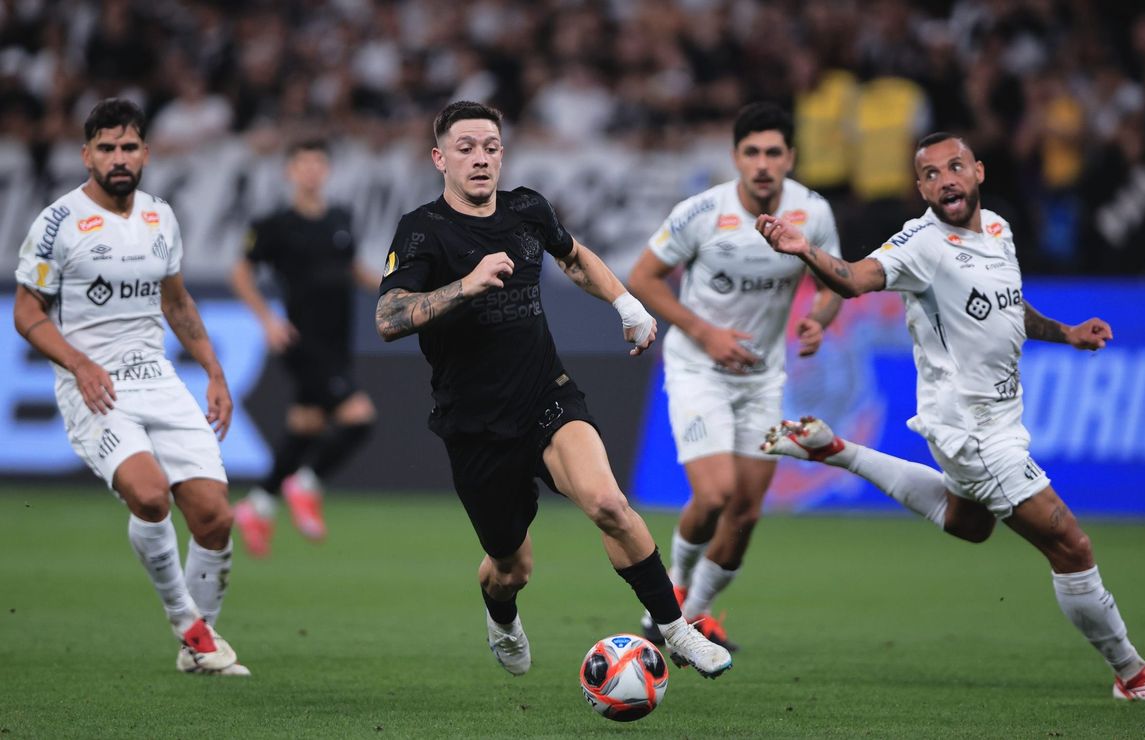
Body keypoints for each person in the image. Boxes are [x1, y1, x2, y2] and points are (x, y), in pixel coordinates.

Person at [758, 132, 1145, 701]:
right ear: (920, 187)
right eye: (932, 174)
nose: (946, 180)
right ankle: (1133, 676)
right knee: (1072, 548)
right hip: (970, 429)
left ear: (979, 172)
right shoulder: (920, 243)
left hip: (1000, 419)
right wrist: (805, 251)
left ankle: (834, 451)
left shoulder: (999, 230)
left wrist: (1065, 333)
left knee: (971, 523)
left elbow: (1009, 308)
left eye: (955, 167)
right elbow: (852, 278)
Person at [375, 100, 732, 678]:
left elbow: (573, 257)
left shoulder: (527, 210)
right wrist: (464, 286)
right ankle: (502, 614)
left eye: (490, 146)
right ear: (440, 158)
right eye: (465, 148)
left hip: (547, 398)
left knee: (611, 504)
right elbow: (388, 318)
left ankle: (675, 629)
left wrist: (626, 303)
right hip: (475, 424)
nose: (481, 158)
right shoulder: (423, 230)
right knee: (510, 566)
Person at [11, 98, 249, 676]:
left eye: (129, 147)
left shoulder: (160, 216)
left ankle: (200, 646)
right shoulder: (57, 222)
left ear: (145, 152)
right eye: (107, 148)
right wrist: (79, 364)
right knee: (148, 495)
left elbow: (176, 302)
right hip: (93, 386)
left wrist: (214, 373)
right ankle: (186, 624)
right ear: (87, 153)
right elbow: (26, 312)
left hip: (157, 378)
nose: (119, 158)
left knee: (215, 517)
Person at [627, 102, 843, 650]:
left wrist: (818, 320)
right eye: (752, 152)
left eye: (774, 152)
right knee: (716, 494)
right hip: (698, 368)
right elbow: (643, 278)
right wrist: (705, 332)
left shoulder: (813, 214)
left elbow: (831, 282)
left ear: (791, 157)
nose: (763, 164)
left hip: (763, 378)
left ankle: (692, 620)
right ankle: (671, 596)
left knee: (745, 511)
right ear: (735, 158)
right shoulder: (701, 212)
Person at [229, 139, 378, 558]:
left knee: (305, 426)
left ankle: (256, 505)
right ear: (289, 172)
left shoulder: (341, 217)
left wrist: (395, 289)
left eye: (318, 163)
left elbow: (352, 270)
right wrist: (267, 319)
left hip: (338, 338)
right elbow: (240, 274)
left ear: (327, 170)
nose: (311, 171)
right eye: (303, 164)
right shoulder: (275, 224)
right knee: (359, 418)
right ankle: (306, 483)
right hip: (301, 340)